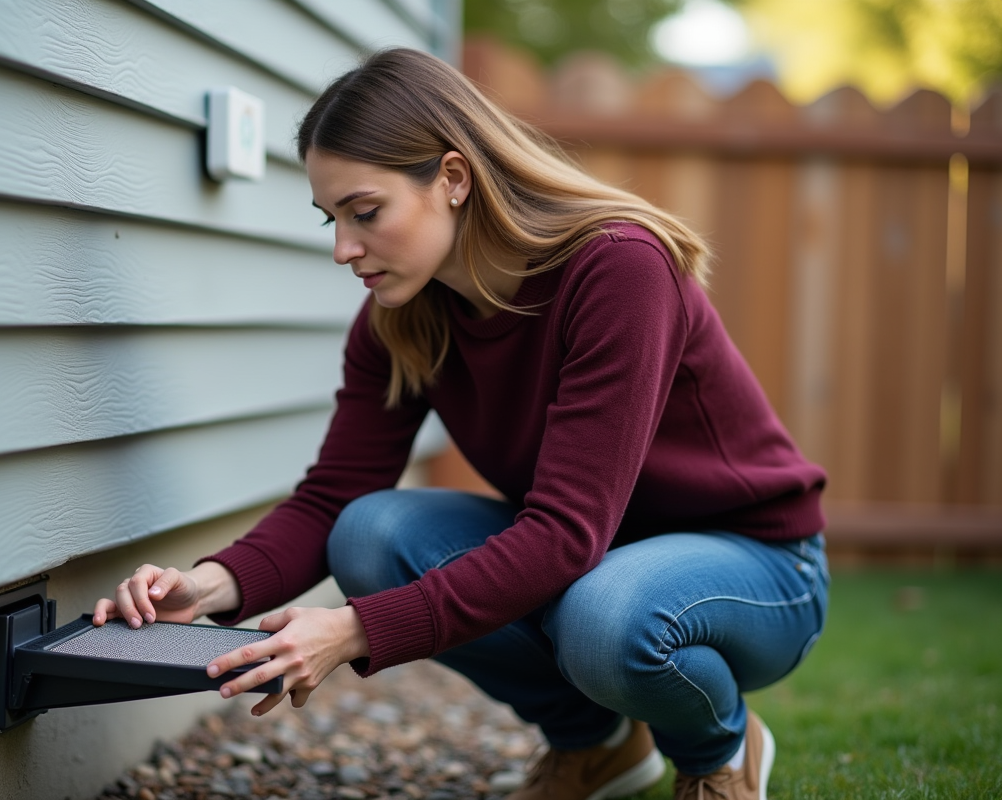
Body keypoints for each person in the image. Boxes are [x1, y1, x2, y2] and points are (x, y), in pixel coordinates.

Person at [93, 47, 829, 800]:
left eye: (365, 212)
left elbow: (566, 535)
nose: (344, 249)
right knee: (369, 532)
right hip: (596, 564)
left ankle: (718, 750)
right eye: (333, 219)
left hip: (755, 565)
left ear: (452, 179)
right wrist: (208, 586)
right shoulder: (401, 316)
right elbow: (333, 497)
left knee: (606, 613)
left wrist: (354, 629)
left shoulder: (618, 269)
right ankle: (597, 743)